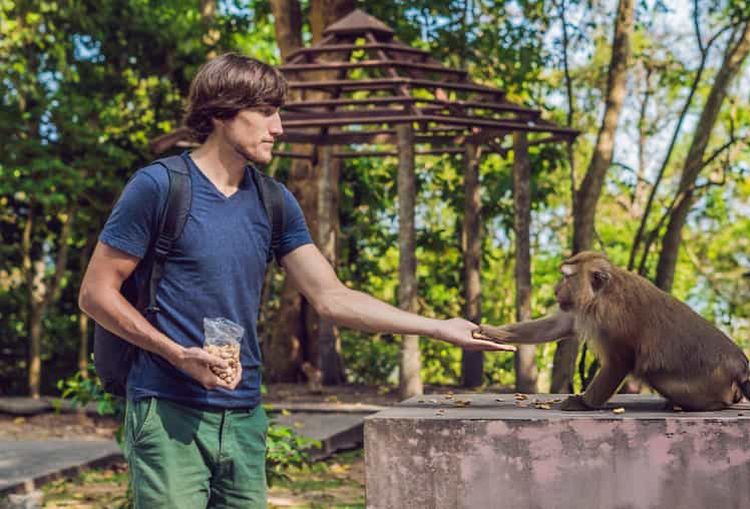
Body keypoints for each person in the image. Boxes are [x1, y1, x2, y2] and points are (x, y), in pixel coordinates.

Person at [79, 53, 514, 509]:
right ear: (223, 113)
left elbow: (331, 297)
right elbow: (95, 294)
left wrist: (436, 326)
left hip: (244, 415)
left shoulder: (273, 201)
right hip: (167, 409)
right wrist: (176, 353)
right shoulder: (159, 187)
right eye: (266, 112)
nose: (279, 127)